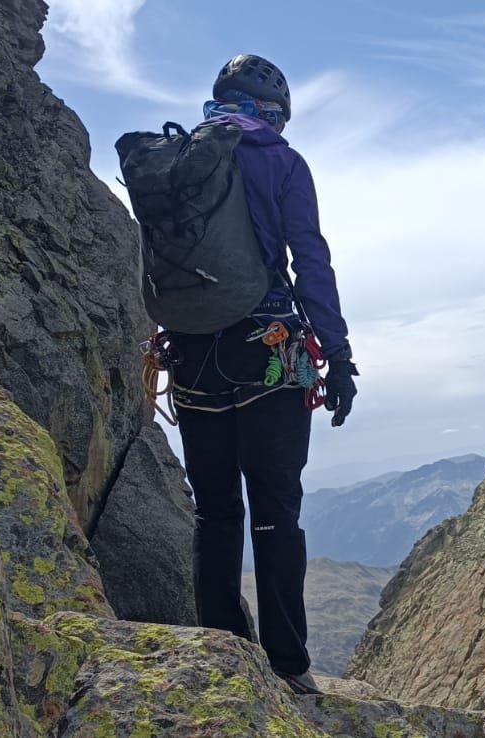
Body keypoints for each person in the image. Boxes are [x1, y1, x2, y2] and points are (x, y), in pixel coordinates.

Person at [169, 54, 357, 695]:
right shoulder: (281, 161)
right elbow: (310, 258)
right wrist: (337, 355)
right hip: (269, 352)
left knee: (214, 511)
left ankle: (220, 648)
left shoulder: (174, 161)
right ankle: (288, 665)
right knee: (276, 511)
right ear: (271, 113)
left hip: (190, 357)